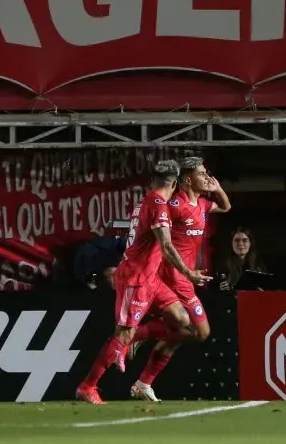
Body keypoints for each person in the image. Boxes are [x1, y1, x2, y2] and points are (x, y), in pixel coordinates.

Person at [75, 160, 211, 405]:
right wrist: (189, 274)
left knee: (183, 322)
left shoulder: (149, 200)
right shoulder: (158, 206)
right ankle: (88, 386)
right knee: (123, 335)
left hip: (152, 279)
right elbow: (167, 246)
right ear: (174, 181)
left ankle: (138, 338)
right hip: (136, 278)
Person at [125, 156, 231, 401]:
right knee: (198, 332)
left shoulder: (202, 204)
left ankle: (143, 382)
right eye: (201, 173)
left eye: (207, 172)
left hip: (186, 277)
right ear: (186, 179)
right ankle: (139, 334)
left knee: (181, 335)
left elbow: (226, 207)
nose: (206, 177)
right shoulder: (174, 205)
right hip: (173, 276)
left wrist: (219, 189)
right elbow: (159, 237)